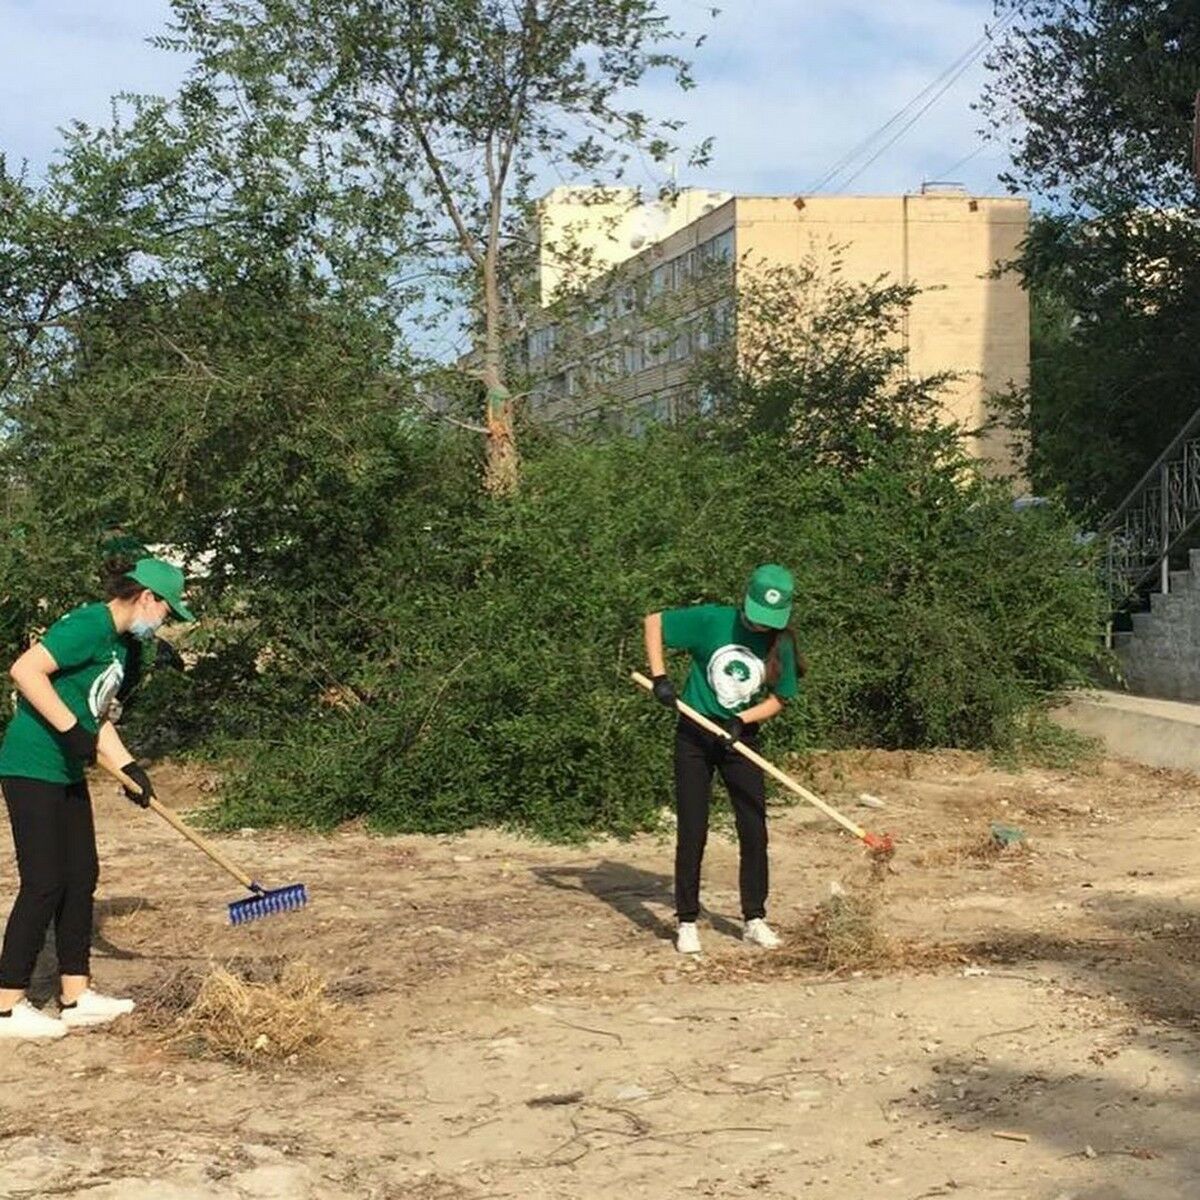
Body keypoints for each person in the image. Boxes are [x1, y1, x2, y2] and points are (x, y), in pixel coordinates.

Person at [0, 557, 195, 1038]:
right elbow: (25, 671)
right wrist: (69, 731)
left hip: (65, 769)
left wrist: (129, 768)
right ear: (148, 597)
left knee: (81, 875)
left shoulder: (123, 650)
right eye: (168, 611)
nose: (165, 621)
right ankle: (5, 1006)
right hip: (29, 766)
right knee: (44, 882)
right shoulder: (90, 624)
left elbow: (97, 716)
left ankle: (75, 995)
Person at [644, 564, 802, 955]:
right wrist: (661, 677)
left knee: (753, 827)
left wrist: (740, 720)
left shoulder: (781, 644)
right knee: (693, 828)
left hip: (740, 737)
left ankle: (754, 918)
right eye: (756, 618)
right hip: (695, 734)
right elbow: (654, 622)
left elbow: (780, 699)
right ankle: (686, 921)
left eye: (769, 622)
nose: (760, 627)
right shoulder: (713, 619)